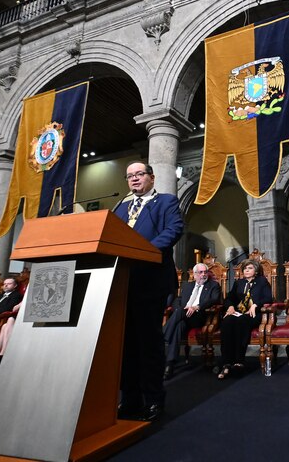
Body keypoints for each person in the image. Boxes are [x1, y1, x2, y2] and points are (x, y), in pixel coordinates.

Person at [113, 161, 184, 421]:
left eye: (139, 174)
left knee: (148, 343)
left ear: (151, 178)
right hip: (120, 282)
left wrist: (143, 252)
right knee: (125, 344)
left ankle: (154, 400)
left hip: (150, 281)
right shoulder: (119, 206)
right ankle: (130, 398)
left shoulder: (166, 202)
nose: (134, 179)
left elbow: (173, 230)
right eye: (129, 175)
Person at [163, 262, 221, 379]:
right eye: (200, 272)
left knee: (179, 313)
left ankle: (163, 336)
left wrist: (196, 307)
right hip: (183, 317)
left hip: (199, 317)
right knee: (179, 325)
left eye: (205, 272)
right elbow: (177, 300)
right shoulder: (188, 286)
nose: (203, 275)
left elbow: (214, 299)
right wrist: (180, 308)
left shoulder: (213, 285)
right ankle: (170, 364)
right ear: (194, 275)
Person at [217, 259, 272, 379]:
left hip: (254, 314)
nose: (246, 270)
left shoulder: (262, 281)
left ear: (256, 270)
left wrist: (255, 305)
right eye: (245, 268)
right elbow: (229, 298)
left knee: (241, 321)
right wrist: (230, 306)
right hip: (239, 313)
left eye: (250, 268)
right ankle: (226, 362)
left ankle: (238, 361)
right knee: (227, 321)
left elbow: (269, 298)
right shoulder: (239, 283)